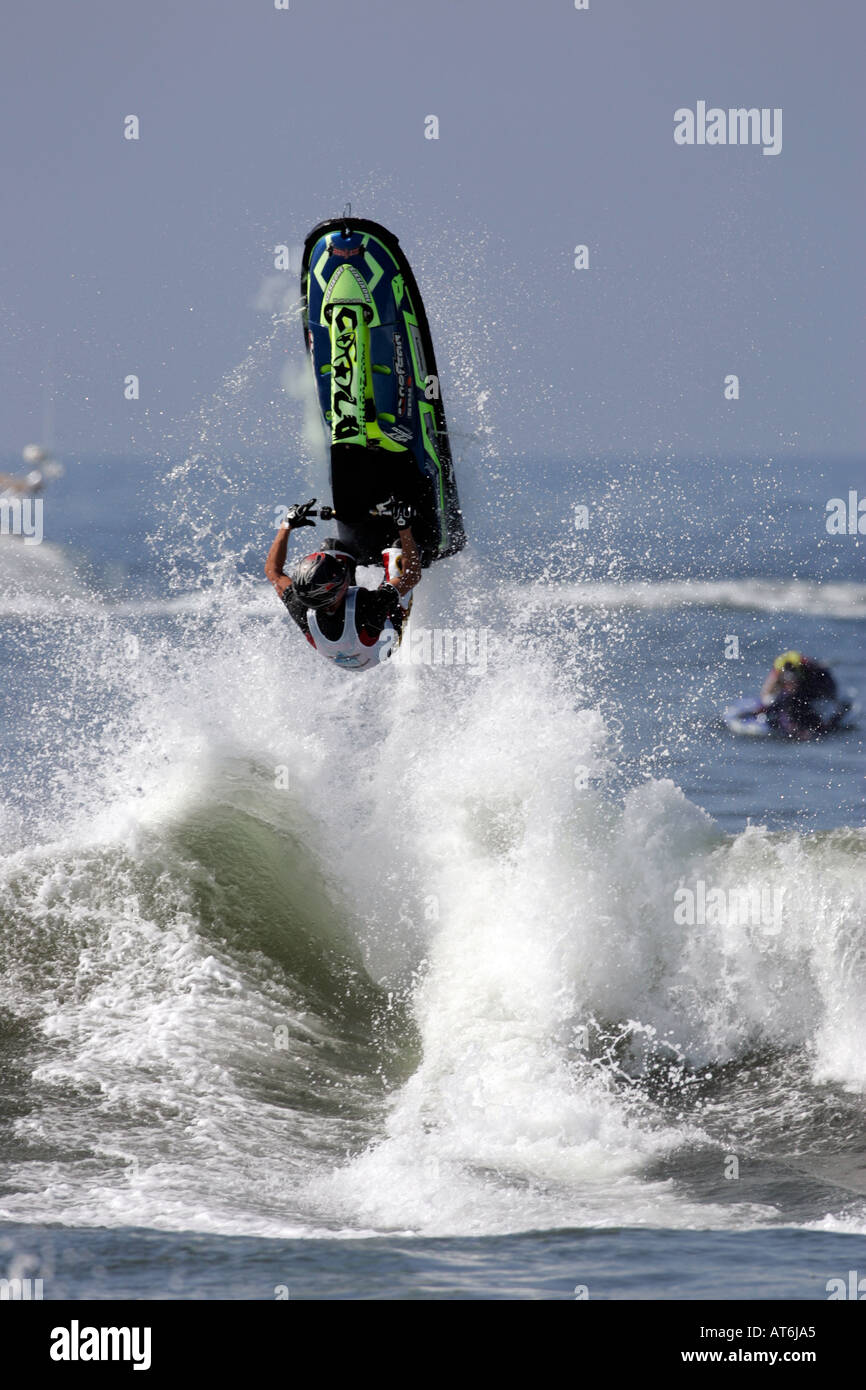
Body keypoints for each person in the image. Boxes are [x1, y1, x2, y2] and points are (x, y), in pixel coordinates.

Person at [264, 498, 421, 671]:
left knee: (331, 546)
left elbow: (273, 571)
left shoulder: (301, 605)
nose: (341, 569)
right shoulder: (369, 606)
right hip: (379, 648)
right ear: (338, 589)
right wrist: (404, 526)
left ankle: (360, 548)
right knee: (400, 551)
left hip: (347, 648)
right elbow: (412, 575)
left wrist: (287, 524)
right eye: (339, 572)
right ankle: (413, 538)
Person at [760, 651, 838, 735]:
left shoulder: (809, 668)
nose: (790, 685)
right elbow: (768, 686)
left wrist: (831, 697)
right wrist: (764, 700)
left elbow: (826, 681)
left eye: (792, 682)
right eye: (788, 683)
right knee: (781, 701)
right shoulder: (779, 668)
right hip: (793, 691)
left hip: (815, 683)